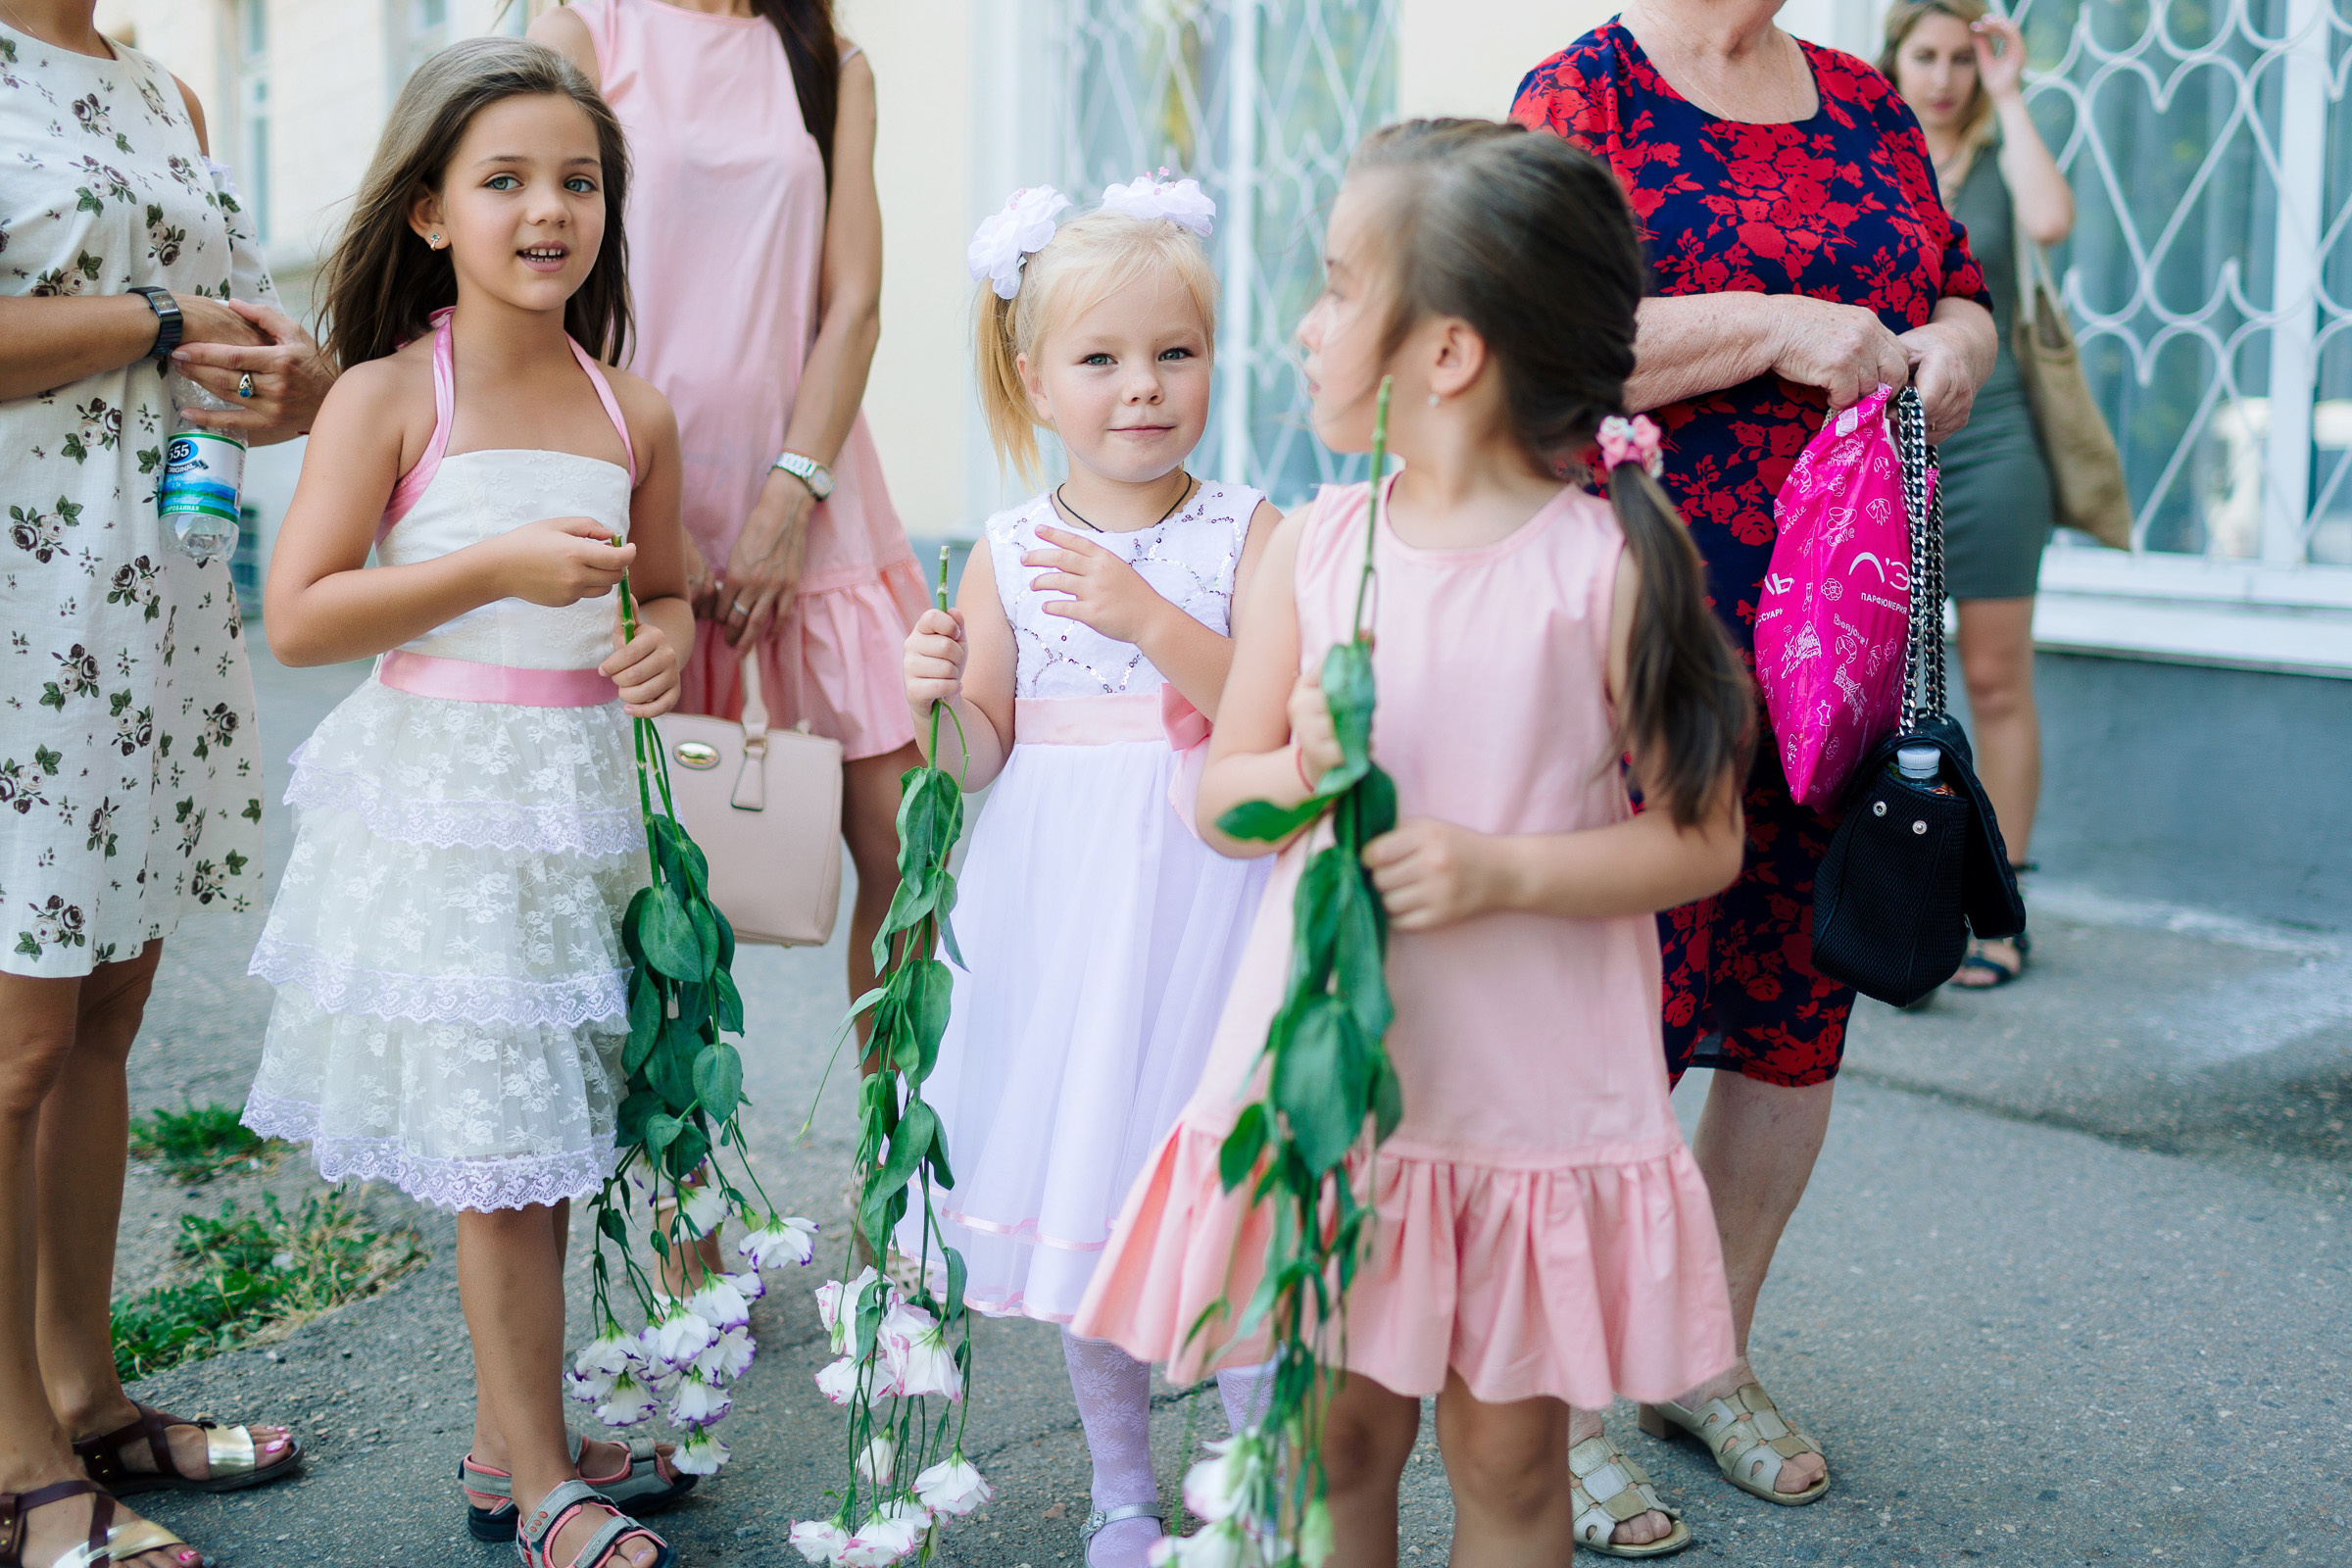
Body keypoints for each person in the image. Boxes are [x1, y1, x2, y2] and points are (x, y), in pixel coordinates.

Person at [1073, 119, 1757, 1565]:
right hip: (1341, 1076)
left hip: (1525, 1090)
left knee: (1511, 1463)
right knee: (1337, 1440)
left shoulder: (1610, 566)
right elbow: (1223, 800)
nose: (1306, 327)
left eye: (1335, 288)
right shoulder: (1315, 550)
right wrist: (1299, 774)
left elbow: (1701, 842)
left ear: (1445, 353)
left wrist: (1504, 869)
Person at [1508, 2, 1997, 1547]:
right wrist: (1779, 324)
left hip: (1841, 640)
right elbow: (1527, 341)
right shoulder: (1583, 93)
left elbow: (1961, 289)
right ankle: (1564, 1403)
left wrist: (1954, 349)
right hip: (1642, 629)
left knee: (1794, 1011)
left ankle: (1696, 1355)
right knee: (1620, 1020)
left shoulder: (1862, 97)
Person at [237, 39, 696, 1568]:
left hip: (578, 819)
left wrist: (661, 643)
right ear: (431, 212)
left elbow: (679, 592)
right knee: (504, 1157)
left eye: (577, 181)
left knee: (553, 1137)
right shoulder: (385, 396)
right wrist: (495, 568)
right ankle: (545, 1483)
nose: (547, 209)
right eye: (504, 180)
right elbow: (302, 616)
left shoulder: (634, 408)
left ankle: (517, 1441)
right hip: (443, 814)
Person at [898, 180, 1279, 1568]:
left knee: (1234, 1185)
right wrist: (936, 696)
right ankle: (1122, 1485)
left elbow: (1269, 709)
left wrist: (1149, 615)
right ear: (1035, 377)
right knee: (1092, 1189)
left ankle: (1251, 1478)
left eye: (1174, 353)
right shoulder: (1005, 547)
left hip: (1212, 896)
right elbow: (981, 753)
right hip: (1063, 909)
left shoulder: (1251, 532)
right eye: (1103, 360)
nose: (1142, 389)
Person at [0, 2, 332, 1560]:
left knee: (109, 1014)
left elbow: (243, 339)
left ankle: (84, 1393)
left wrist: (290, 385)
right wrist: (151, 321)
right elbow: (151, 319)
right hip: (17, 614)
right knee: (13, 1048)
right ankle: (11, 1463)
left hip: (158, 601)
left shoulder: (158, 85)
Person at [532, 0, 927, 1034]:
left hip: (812, 491)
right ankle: (673, 1189)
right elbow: (544, 289)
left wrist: (789, 499)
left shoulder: (827, 61)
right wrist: (645, 502)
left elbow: (856, 303)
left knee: (907, 848)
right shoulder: (583, 30)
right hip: (629, 490)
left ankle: (890, 1178)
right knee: (650, 877)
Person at [1884, 0, 2071, 989]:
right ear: (1895, 59)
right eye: (1928, 55)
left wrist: (2012, 92)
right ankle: (1901, 895)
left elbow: (2050, 221)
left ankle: (2003, 907)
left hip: (1996, 449)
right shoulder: (1872, 152)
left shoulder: (2000, 160)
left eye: (1965, 59)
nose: (1946, 76)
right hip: (1890, 451)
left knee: (1995, 680)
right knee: (1891, 692)